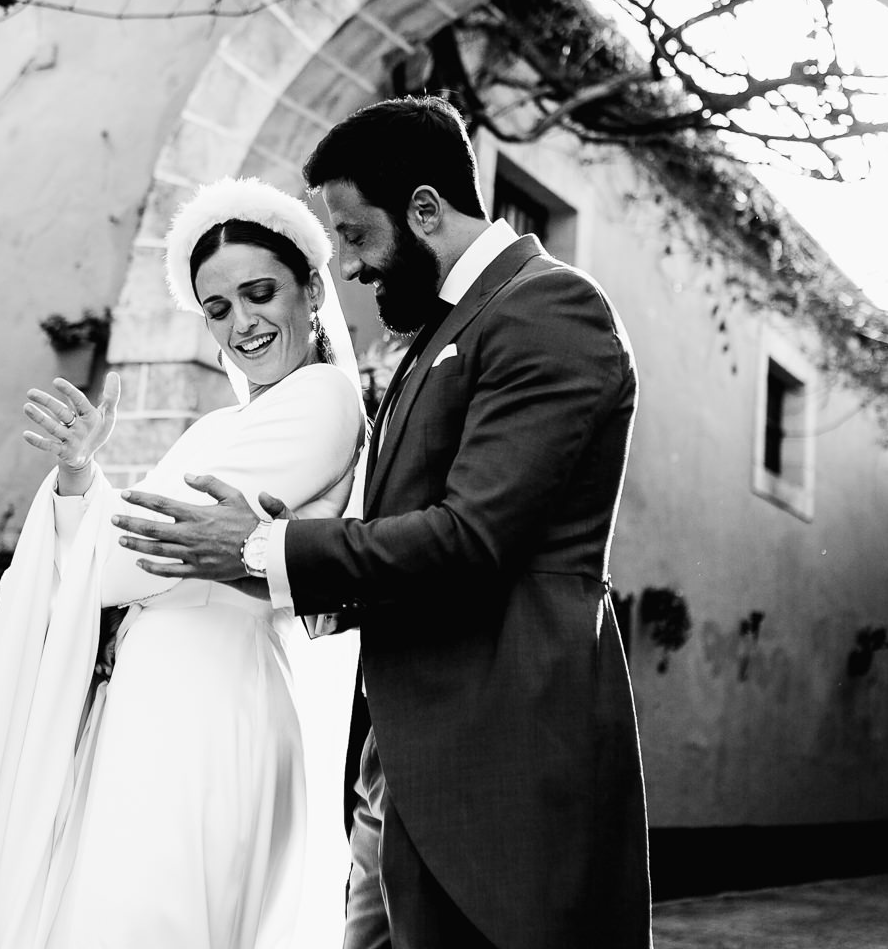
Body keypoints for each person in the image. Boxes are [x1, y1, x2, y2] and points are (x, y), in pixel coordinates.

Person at [119, 96, 653, 949]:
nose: (356, 271)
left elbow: (473, 538)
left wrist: (260, 548)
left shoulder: (552, 310)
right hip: (397, 763)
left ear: (426, 209)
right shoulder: (443, 333)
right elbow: (396, 532)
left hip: (496, 751)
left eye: (359, 237)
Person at [0, 177, 367, 949]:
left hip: (213, 704)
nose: (242, 324)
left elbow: (132, 563)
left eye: (260, 292)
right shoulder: (227, 424)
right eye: (217, 308)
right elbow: (141, 541)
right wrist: (80, 478)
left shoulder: (322, 400)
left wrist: (99, 511)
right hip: (159, 703)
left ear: (312, 287)